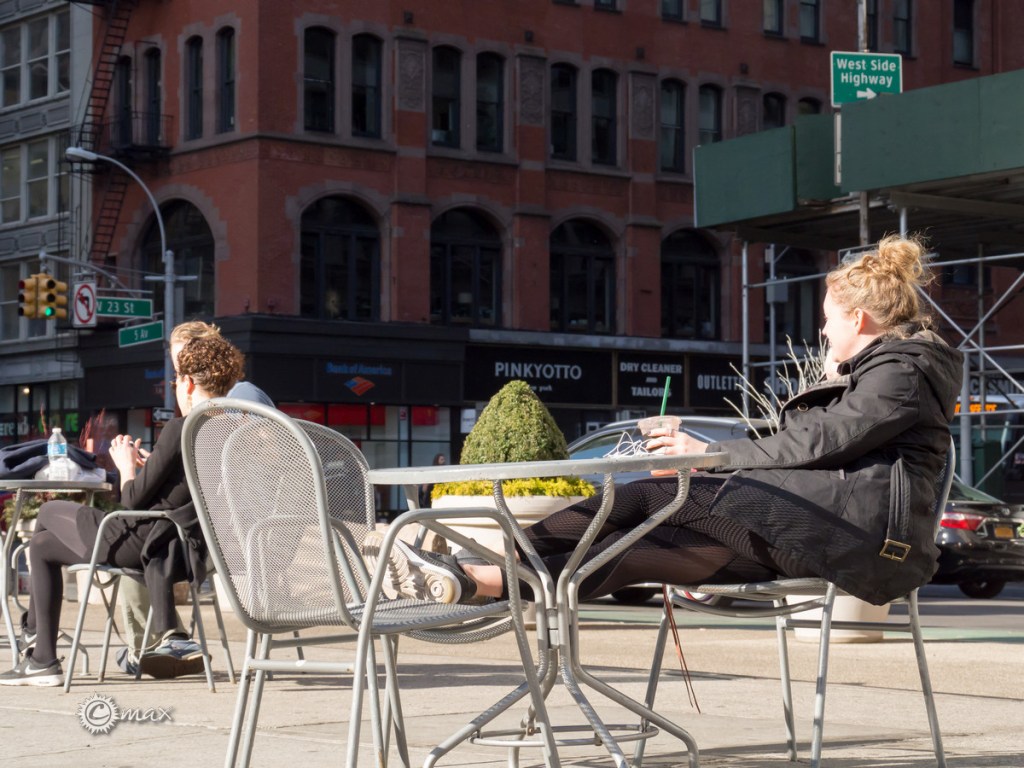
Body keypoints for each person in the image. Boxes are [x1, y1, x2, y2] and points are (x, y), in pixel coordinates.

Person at [364, 235, 963, 609]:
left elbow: (824, 438)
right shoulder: (889, 371)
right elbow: (818, 445)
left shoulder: (902, 372)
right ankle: (477, 582)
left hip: (864, 542)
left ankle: (481, 559)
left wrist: (707, 455)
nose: (823, 329)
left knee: (653, 493)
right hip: (827, 533)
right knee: (642, 549)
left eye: (829, 318)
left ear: (859, 320)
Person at [0, 334, 246, 686]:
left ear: (189, 383)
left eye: (177, 382)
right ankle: (42, 659)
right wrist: (153, 466)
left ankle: (33, 635)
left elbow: (130, 500)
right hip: (185, 550)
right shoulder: (228, 432)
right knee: (41, 546)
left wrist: (126, 465)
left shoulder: (181, 428)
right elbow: (182, 492)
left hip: (141, 541)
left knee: (49, 511)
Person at [114, 321, 274, 677]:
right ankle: (158, 644)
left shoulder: (236, 400)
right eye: (176, 368)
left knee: (143, 539)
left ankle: (156, 646)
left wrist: (135, 472)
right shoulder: (211, 409)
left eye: (182, 367)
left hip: (237, 533)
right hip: (222, 527)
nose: (179, 379)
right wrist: (160, 467)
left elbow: (251, 463)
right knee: (150, 535)